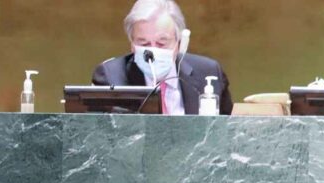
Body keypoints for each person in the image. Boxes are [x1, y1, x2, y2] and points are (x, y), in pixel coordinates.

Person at [92, 0, 233, 115]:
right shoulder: (111, 77)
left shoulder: (209, 72)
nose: (153, 51)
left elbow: (227, 133)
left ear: (179, 43)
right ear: (132, 45)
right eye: (144, 43)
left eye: (161, 43)